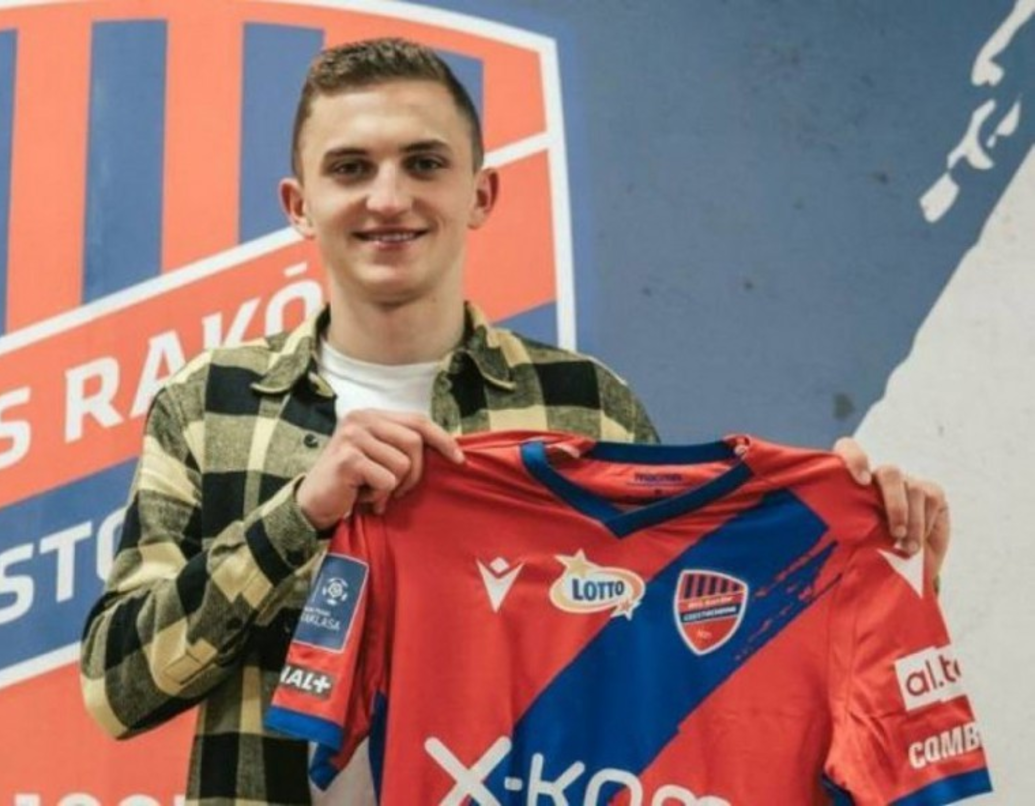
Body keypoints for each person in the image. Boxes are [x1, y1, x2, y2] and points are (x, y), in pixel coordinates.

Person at [80, 37, 949, 806]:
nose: (389, 197)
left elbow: (678, 669)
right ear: (298, 203)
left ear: (482, 192)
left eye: (425, 163)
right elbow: (116, 689)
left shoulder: (585, 404)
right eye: (350, 168)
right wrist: (299, 515)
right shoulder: (210, 403)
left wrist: (857, 559)